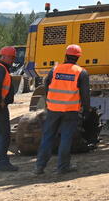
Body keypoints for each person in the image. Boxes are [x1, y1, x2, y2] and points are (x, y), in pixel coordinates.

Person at [35, 44, 89, 175]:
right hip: (70, 110)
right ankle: (62, 167)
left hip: (53, 109)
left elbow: (46, 86)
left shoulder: (55, 70)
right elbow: (85, 94)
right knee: (66, 138)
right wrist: (86, 110)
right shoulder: (81, 72)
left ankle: (39, 167)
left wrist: (49, 101)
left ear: (66, 55)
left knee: (47, 137)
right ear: (78, 58)